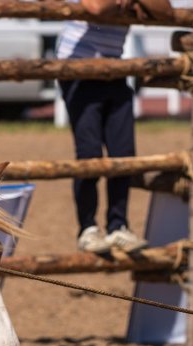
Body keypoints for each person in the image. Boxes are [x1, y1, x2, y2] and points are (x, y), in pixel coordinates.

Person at [56, 0, 173, 254]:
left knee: (124, 154)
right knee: (89, 154)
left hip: (114, 69)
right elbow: (96, 6)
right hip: (78, 70)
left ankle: (118, 226)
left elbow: (165, 10)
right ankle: (87, 228)